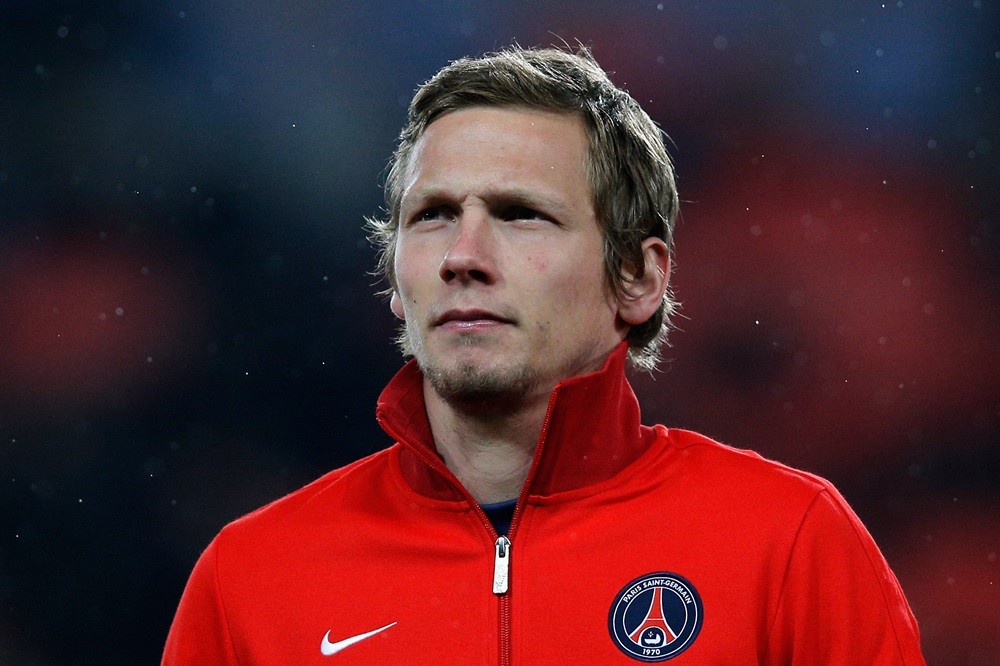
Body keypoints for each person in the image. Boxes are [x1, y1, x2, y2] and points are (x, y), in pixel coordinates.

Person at [163, 46, 925, 664]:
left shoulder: (789, 544)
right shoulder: (254, 578)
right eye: (431, 217)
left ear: (639, 277)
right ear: (396, 281)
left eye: (520, 214)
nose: (463, 255)